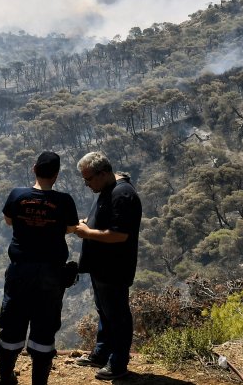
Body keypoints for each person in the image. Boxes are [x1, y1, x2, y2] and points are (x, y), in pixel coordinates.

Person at [0, 151, 80, 385]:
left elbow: (9, 221)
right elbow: (72, 228)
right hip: (51, 273)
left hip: (20, 271)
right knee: (45, 327)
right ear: (56, 174)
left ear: (34, 168)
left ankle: (5, 376)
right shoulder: (64, 200)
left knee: (12, 323)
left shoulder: (17, 195)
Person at [73, 152, 142, 381]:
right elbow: (105, 221)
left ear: (102, 174)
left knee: (118, 316)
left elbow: (120, 235)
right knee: (104, 311)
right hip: (100, 267)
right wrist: (86, 224)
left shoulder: (122, 194)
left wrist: (88, 232)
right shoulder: (107, 188)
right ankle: (102, 354)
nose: (86, 184)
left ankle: (118, 363)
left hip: (114, 268)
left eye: (89, 179)